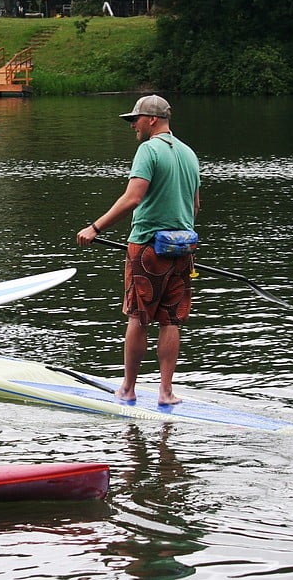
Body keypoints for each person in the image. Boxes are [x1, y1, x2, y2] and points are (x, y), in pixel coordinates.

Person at [75, 95, 200, 405]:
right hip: (183, 248)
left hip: (147, 246)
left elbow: (133, 198)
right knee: (171, 320)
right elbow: (195, 206)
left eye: (136, 119)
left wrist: (96, 228)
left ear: (152, 120)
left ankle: (129, 389)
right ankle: (166, 392)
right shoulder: (189, 154)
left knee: (138, 318)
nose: (133, 125)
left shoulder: (148, 150)